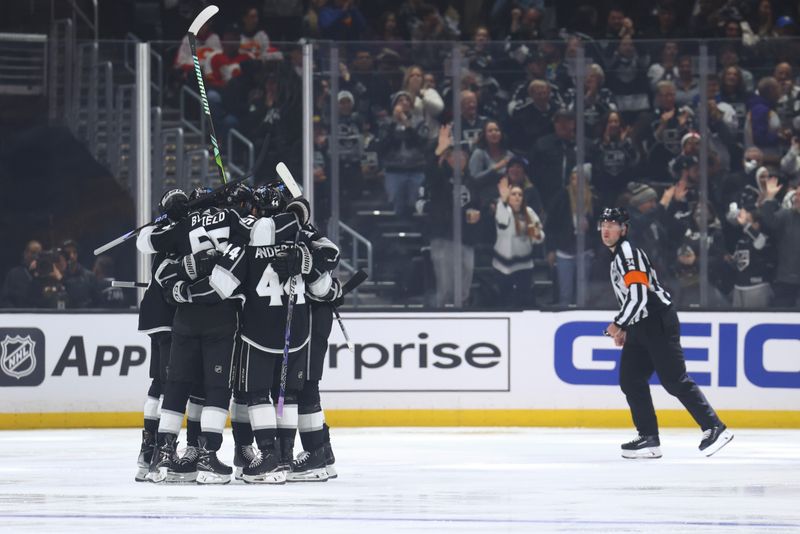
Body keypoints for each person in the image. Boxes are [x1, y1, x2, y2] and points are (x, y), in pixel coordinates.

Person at [597, 207, 733, 459]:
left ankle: (715, 427)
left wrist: (618, 323)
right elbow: (633, 297)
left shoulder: (628, 254)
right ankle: (649, 438)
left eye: (613, 224)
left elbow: (638, 295)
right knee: (631, 379)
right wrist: (627, 326)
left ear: (624, 229)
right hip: (641, 325)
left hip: (657, 321)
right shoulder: (618, 256)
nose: (606, 229)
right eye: (603, 223)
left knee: (674, 379)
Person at [493, 179, 544, 308]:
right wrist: (503, 200)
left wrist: (537, 235)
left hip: (524, 265)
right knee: (505, 301)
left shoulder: (529, 212)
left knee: (524, 302)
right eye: (513, 194)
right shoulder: (504, 210)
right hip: (503, 266)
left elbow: (540, 236)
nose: (517, 197)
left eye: (520, 194)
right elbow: (502, 220)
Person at [759, 175, 800, 307]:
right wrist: (769, 197)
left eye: (799, 196)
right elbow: (769, 222)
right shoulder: (787, 215)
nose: (796, 198)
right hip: (787, 279)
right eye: (796, 194)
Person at [1, 240, 41, 307]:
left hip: (43, 315)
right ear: (25, 254)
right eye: (33, 253)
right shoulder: (14, 274)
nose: (35, 256)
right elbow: (5, 299)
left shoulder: (46, 274)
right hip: (19, 314)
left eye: (38, 254)